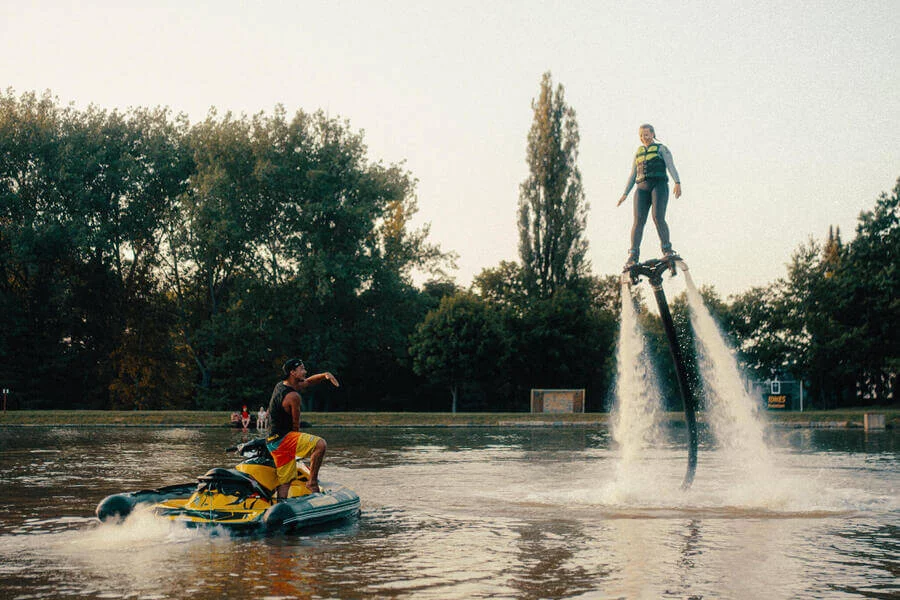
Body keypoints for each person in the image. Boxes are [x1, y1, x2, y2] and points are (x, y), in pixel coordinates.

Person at [266, 358, 340, 499]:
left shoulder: (282, 385)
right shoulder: (293, 396)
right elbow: (296, 424)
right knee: (320, 444)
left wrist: (325, 375)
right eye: (302, 369)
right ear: (293, 372)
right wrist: (297, 446)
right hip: (284, 439)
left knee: (285, 481)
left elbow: (308, 382)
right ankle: (312, 483)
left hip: (272, 441)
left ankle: (282, 506)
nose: (305, 371)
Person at [617, 123, 682, 270]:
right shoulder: (638, 152)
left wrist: (677, 182)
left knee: (657, 217)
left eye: (646, 134)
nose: (644, 137)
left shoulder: (661, 149)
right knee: (638, 221)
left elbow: (671, 166)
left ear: (652, 134)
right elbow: (633, 174)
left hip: (658, 186)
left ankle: (667, 249)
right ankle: (633, 255)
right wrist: (625, 193)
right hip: (641, 189)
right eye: (641, 135)